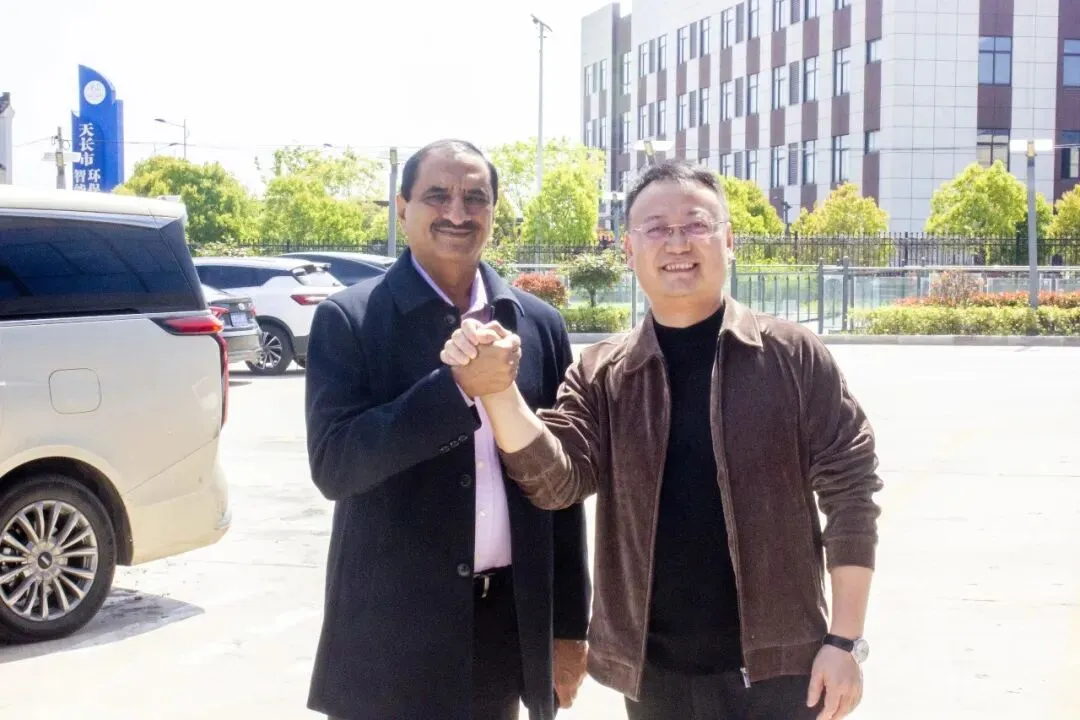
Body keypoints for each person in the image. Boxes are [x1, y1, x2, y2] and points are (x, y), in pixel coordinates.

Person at [440, 160, 883, 720]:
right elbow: (557, 482)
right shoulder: (604, 372)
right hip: (654, 678)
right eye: (655, 228)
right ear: (629, 250)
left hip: (783, 668)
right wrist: (498, 390)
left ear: (729, 240)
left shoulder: (792, 356)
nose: (677, 243)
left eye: (696, 224)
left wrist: (845, 640)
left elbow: (851, 492)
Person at [304, 139, 591, 720]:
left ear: (494, 211)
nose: (457, 212)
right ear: (402, 207)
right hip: (390, 634)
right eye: (437, 195)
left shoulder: (537, 324)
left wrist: (568, 627)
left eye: (475, 198)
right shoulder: (350, 319)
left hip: (503, 629)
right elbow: (335, 465)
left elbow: (559, 494)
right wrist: (456, 388)